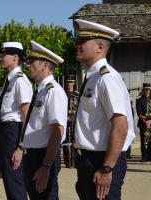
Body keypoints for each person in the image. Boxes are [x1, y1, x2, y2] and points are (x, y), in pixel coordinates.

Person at [73, 19, 135, 200]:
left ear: (99, 47)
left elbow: (120, 125)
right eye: (77, 41)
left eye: (82, 41)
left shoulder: (106, 78)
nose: (77, 45)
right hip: (88, 159)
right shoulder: (93, 77)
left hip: (102, 160)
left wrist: (107, 168)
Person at [21, 41, 68, 200]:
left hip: (44, 157)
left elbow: (57, 132)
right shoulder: (40, 91)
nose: (28, 66)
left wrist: (45, 166)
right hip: (33, 156)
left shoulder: (53, 92)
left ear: (44, 65)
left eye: (31, 62)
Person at [0, 42, 32, 199]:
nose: (0, 58)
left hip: (13, 132)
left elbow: (26, 114)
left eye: (4, 55)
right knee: (9, 181)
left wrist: (20, 146)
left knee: (15, 181)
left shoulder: (20, 80)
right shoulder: (9, 79)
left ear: (15, 57)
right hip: (5, 132)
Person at [62, 75, 78, 168]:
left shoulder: (77, 94)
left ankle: (74, 160)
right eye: (68, 82)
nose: (69, 84)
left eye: (71, 82)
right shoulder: (63, 94)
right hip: (66, 120)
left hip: (74, 121)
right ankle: (67, 161)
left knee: (74, 140)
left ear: (74, 83)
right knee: (65, 141)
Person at [136, 83, 151, 161]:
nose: (147, 91)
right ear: (143, 90)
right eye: (145, 89)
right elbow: (139, 113)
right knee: (144, 140)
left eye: (148, 89)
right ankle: (144, 157)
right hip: (143, 123)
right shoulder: (139, 100)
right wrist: (147, 121)